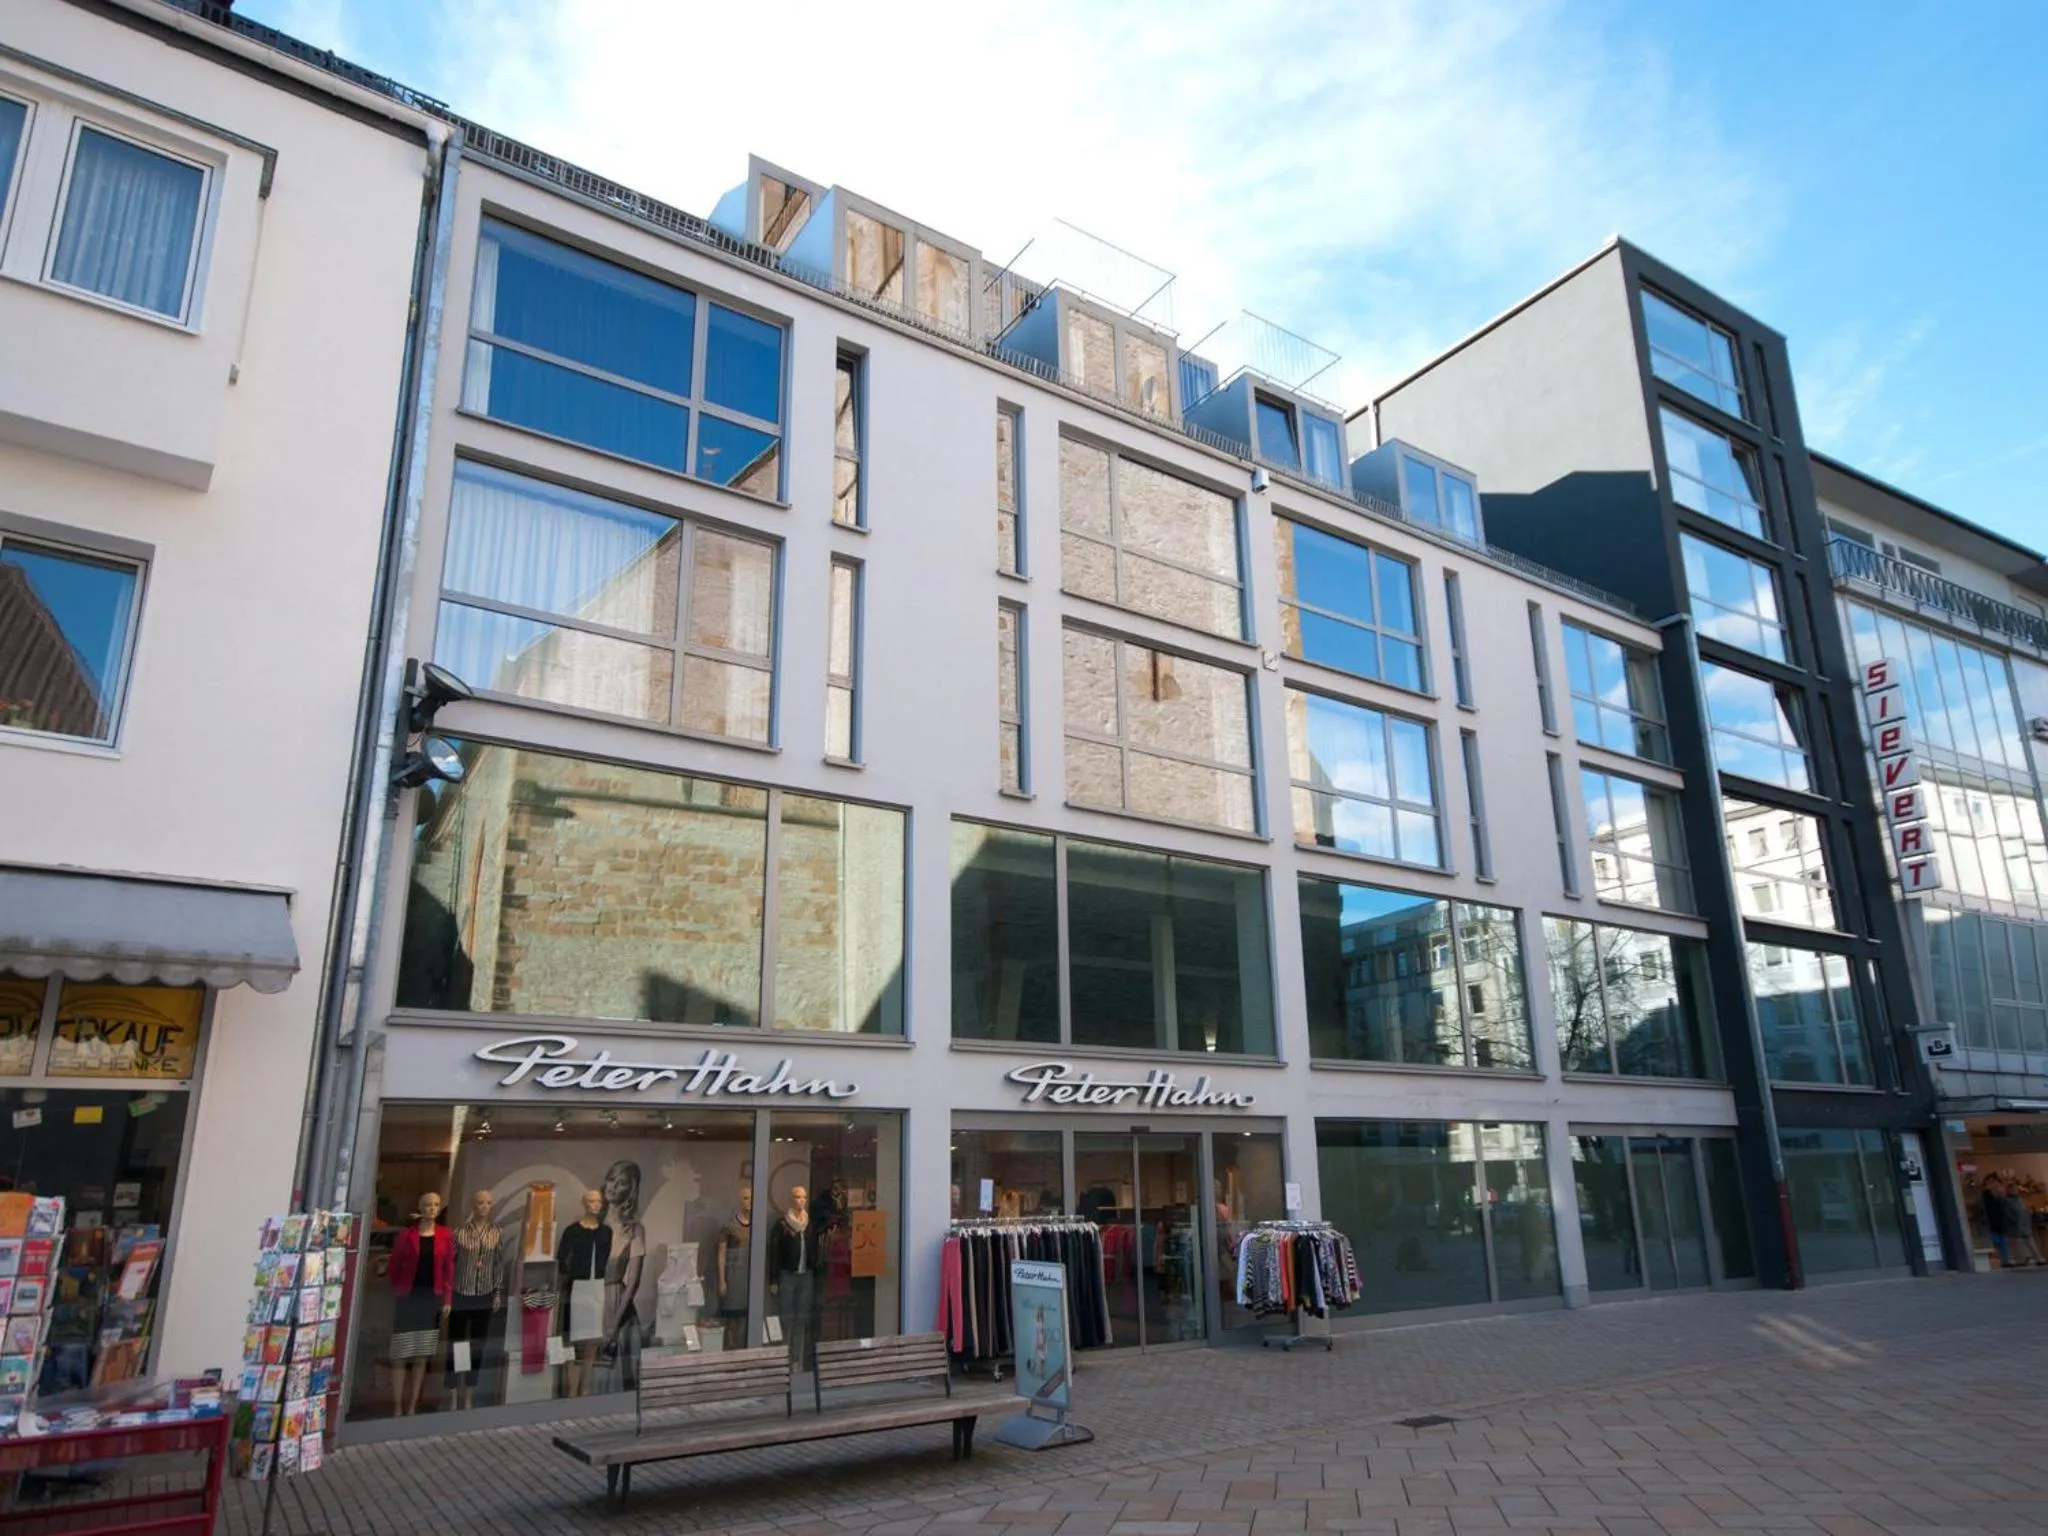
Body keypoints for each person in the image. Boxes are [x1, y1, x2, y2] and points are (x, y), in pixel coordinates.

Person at [2003, 1179, 2043, 1268]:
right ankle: (2021, 1259)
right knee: (2018, 1244)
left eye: (2014, 1188)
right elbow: (2008, 1214)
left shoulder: (2020, 1199)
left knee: (2030, 1242)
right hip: (2015, 1226)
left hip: (2025, 1224)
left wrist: (2028, 1216)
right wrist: (2014, 1222)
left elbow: (2025, 1210)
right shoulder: (2007, 1201)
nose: (2013, 1190)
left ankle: (2038, 1258)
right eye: (2011, 1188)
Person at [1982, 1175, 2014, 1268]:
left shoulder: (2000, 1198)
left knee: (2002, 1243)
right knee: (1996, 1243)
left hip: (1999, 1224)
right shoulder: (1986, 1197)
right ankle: (2000, 1261)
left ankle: (2004, 1261)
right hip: (1992, 1224)